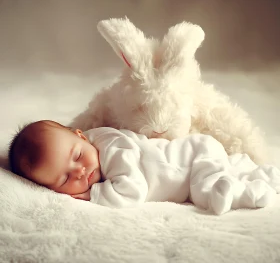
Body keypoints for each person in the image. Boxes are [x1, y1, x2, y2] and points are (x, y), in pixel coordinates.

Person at [8, 120, 280, 215]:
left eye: (77, 156)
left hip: (192, 161)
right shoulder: (93, 146)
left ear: (81, 135)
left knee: (204, 191)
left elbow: (132, 191)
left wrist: (94, 195)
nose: (79, 172)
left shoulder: (113, 150)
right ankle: (263, 176)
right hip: (197, 154)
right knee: (231, 167)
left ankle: (241, 192)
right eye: (65, 178)